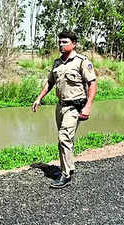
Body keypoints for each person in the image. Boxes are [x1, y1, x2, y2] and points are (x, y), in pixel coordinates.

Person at [32, 31, 97, 189]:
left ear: (74, 44)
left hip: (75, 106)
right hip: (60, 106)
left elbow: (92, 84)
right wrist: (39, 98)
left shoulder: (82, 61)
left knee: (64, 138)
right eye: (59, 42)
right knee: (65, 139)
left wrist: (88, 106)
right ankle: (69, 167)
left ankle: (66, 174)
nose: (61, 45)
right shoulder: (57, 63)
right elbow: (49, 82)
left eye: (64, 42)